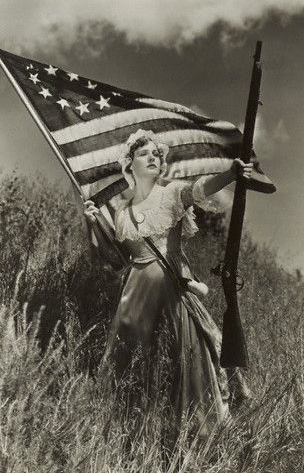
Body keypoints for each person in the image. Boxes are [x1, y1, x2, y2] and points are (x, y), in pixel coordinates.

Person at [84, 129, 253, 448]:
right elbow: (116, 260)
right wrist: (93, 223)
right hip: (134, 300)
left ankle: (193, 442)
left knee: (184, 364)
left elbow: (200, 189)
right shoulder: (121, 212)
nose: (153, 158)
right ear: (129, 164)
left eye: (157, 154)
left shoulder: (172, 193)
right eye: (144, 154)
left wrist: (230, 173)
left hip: (174, 290)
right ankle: (133, 441)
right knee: (134, 367)